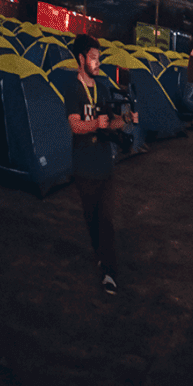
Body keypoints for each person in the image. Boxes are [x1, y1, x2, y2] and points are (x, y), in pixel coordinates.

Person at [63, 35, 135, 295]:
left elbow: (111, 122)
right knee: (92, 219)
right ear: (81, 58)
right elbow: (75, 125)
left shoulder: (103, 89)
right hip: (84, 168)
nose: (98, 62)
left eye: (99, 58)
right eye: (93, 58)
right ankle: (100, 256)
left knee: (105, 220)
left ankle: (109, 271)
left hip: (105, 166)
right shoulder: (73, 89)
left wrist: (126, 119)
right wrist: (96, 124)